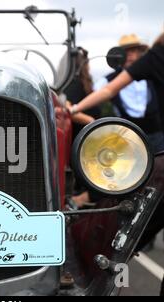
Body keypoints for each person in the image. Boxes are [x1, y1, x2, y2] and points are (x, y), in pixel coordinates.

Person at [68, 1, 164, 253]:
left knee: (160, 193)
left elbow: (109, 91)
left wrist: (73, 109)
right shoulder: (154, 58)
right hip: (148, 141)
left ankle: (133, 243)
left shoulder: (159, 57)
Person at [95, 34, 164, 153]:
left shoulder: (154, 75)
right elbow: (96, 92)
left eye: (133, 50)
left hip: (156, 135)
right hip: (126, 137)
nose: (129, 54)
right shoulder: (109, 80)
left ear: (139, 52)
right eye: (125, 51)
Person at [64, 47, 102, 208]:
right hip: (83, 143)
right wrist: (91, 121)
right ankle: (79, 201)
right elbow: (67, 107)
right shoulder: (74, 84)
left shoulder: (82, 83)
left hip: (89, 142)